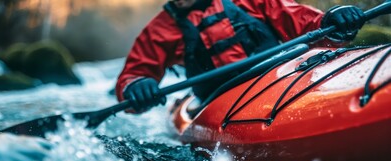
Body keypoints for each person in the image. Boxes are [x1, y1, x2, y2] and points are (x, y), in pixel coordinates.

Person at [115, 0, 365, 113]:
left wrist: (334, 19)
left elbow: (307, 23)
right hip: (217, 102)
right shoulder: (159, 30)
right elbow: (134, 73)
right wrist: (137, 86)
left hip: (281, 81)